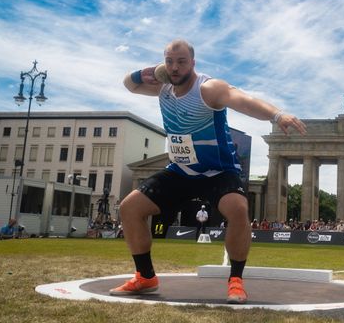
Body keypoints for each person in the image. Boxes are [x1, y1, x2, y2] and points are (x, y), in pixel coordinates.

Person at [110, 39, 306, 304]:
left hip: (218, 171)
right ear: (163, 63)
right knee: (129, 208)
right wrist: (142, 73)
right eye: (169, 61)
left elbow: (243, 100)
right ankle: (145, 277)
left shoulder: (208, 89)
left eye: (181, 62)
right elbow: (129, 85)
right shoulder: (162, 87)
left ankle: (235, 281)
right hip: (181, 170)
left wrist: (277, 115)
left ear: (193, 62)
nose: (175, 67)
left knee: (238, 210)